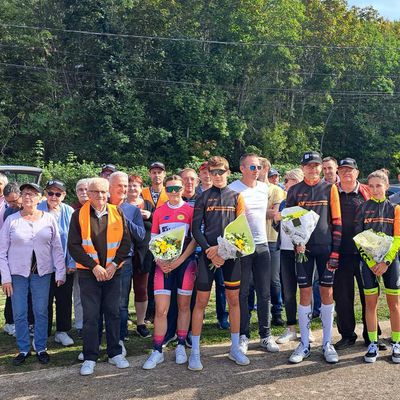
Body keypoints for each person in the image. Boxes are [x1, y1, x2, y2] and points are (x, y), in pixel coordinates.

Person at [189, 156, 248, 370]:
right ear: (208, 174)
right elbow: (196, 229)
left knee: (234, 300)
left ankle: (234, 347)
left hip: (230, 256)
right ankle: (195, 352)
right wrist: (210, 251)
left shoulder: (237, 196)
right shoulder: (202, 197)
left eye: (220, 172)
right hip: (208, 255)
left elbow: (241, 228)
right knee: (201, 303)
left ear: (228, 172)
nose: (217, 176)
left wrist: (223, 252)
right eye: (213, 172)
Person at [68, 177, 131, 376]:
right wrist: (94, 267)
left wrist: (113, 265)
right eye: (95, 192)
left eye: (104, 192)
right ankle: (90, 357)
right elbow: (74, 246)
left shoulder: (117, 211)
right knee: (91, 317)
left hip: (114, 272)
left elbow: (126, 243)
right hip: (89, 274)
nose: (100, 196)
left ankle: (114, 353)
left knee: (113, 313)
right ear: (89, 193)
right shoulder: (78, 215)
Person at [0, 182, 65, 365]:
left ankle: (41, 347)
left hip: (42, 273)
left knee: (41, 311)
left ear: (39, 198)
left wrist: (60, 272)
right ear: (20, 198)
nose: (28, 197)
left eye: (32, 194)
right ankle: (23, 349)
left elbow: (57, 247)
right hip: (18, 275)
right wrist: (6, 278)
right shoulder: (12, 221)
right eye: (25, 194)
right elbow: (2, 252)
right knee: (20, 312)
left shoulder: (48, 218)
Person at [286, 151, 342, 364]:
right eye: (308, 165)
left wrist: (335, 252)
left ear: (321, 167)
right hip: (303, 251)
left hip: (326, 248)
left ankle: (327, 343)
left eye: (316, 165)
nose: (313, 169)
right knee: (305, 292)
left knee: (327, 291)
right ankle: (305, 344)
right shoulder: (294, 190)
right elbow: (289, 222)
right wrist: (296, 242)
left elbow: (337, 222)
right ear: (302, 167)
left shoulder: (330, 188)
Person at [142, 175, 197, 370]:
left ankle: (181, 344)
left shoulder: (190, 210)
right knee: (161, 309)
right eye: (170, 188)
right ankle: (157, 350)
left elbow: (194, 240)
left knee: (183, 306)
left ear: (183, 189)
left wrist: (180, 261)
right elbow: (153, 240)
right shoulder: (159, 211)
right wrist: (159, 260)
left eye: (177, 188)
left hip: (185, 264)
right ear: (165, 189)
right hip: (162, 266)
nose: (174, 192)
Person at [229, 153, 279, 354]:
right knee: (243, 293)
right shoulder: (233, 189)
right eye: (252, 167)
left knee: (264, 292)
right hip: (242, 248)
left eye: (258, 167)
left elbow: (267, 214)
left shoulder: (264, 189)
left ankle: (265, 335)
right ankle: (243, 335)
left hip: (262, 245)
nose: (256, 171)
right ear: (242, 169)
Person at [354, 170, 400, 363]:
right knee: (370, 304)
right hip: (369, 264)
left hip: (391, 262)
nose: (374, 189)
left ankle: (396, 343)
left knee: (394, 305)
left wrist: (386, 262)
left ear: (386, 186)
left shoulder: (395, 209)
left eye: (378, 186)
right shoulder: (362, 208)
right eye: (371, 186)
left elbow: (398, 239)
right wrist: (372, 263)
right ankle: (372, 343)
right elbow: (358, 239)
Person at [333, 158, 372, 350]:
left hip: (365, 254)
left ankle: (371, 334)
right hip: (340, 253)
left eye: (350, 170)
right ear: (338, 173)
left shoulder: (367, 192)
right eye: (343, 170)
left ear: (357, 173)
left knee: (369, 295)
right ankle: (347, 335)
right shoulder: (332, 193)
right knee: (342, 296)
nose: (347, 173)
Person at [108, 172, 145, 348]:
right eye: (120, 186)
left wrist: (124, 218)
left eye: (125, 186)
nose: (123, 189)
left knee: (121, 303)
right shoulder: (102, 206)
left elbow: (140, 235)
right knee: (104, 303)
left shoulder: (133, 210)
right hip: (103, 261)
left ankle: (120, 339)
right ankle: (105, 337)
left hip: (125, 262)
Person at [38, 180, 75, 346]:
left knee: (64, 299)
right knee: (43, 300)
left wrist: (72, 262)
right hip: (42, 265)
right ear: (45, 194)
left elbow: (75, 239)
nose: (54, 196)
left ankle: (62, 331)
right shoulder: (37, 209)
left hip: (65, 265)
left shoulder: (69, 211)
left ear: (64, 195)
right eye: (50, 193)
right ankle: (43, 333)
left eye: (58, 193)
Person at [274, 168, 306, 344]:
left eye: (289, 180)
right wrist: (277, 219)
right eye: (285, 180)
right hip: (285, 250)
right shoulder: (283, 203)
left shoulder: (306, 202)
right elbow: (275, 225)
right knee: (288, 292)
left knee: (306, 291)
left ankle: (306, 329)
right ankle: (291, 329)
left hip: (303, 251)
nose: (285, 183)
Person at [127, 174, 154, 338]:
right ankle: (122, 322)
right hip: (124, 252)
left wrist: (150, 215)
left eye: (135, 185)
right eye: (129, 185)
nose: (132, 188)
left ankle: (141, 323)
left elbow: (157, 223)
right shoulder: (120, 205)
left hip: (144, 252)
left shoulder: (148, 204)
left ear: (140, 188)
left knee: (141, 289)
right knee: (122, 291)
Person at [259, 157, 285, 327]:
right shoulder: (250, 190)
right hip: (255, 239)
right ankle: (261, 313)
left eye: (259, 167)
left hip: (272, 239)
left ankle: (277, 312)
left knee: (274, 279)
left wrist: (254, 211)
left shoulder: (275, 190)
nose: (256, 170)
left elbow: (275, 214)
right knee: (255, 280)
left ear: (266, 169)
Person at [142, 161, 168, 323]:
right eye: (154, 172)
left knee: (162, 276)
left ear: (164, 174)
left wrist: (151, 216)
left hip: (165, 240)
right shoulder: (143, 192)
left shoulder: (170, 190)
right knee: (148, 277)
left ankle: (160, 309)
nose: (157, 175)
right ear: (149, 174)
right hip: (146, 240)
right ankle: (148, 311)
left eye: (160, 172)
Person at [70, 178, 90, 335]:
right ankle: (80, 325)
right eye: (80, 190)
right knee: (79, 294)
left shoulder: (99, 208)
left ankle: (96, 323)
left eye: (86, 189)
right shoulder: (73, 210)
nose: (83, 192)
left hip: (99, 261)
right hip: (79, 261)